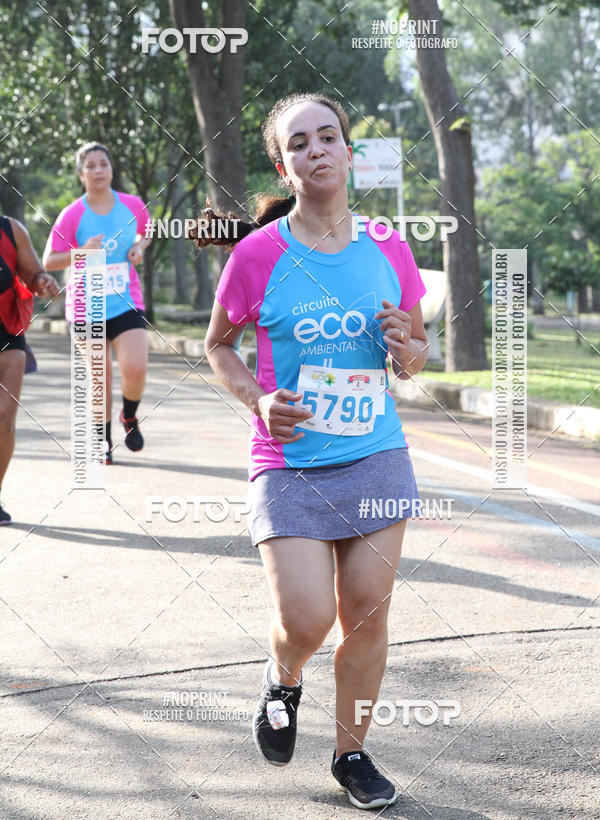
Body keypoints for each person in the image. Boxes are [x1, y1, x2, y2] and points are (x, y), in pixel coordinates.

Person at [201, 92, 429, 809]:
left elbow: (417, 352)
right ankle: (284, 677)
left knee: (366, 610)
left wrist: (408, 350)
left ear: (348, 153)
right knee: (306, 619)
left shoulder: (390, 245)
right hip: (290, 462)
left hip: (376, 454)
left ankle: (351, 754)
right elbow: (218, 345)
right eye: (300, 143)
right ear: (284, 164)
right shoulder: (257, 255)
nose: (318, 149)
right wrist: (259, 402)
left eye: (329, 136)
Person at [43, 142, 152, 464]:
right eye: (90, 166)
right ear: (81, 174)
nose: (98, 170)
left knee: (135, 366)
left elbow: (147, 232)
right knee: (99, 375)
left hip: (125, 301)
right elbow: (49, 260)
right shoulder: (72, 214)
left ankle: (129, 417)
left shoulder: (132, 205)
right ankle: (101, 440)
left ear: (111, 169)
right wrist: (81, 253)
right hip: (84, 305)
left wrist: (139, 248)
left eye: (103, 163)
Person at [0, 214, 59, 524]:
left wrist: (42, 281)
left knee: (5, 417)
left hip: (8, 334)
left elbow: (33, 273)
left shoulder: (12, 230)